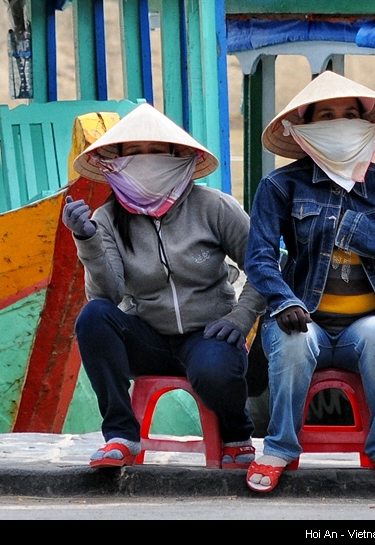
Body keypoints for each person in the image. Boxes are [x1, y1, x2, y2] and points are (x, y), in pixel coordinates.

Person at [244, 71, 375, 494]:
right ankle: (279, 447)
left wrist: (355, 230)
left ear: (370, 125)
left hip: (365, 323)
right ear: (305, 129)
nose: (341, 122)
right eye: (327, 116)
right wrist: (282, 301)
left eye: (351, 115)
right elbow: (258, 258)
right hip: (303, 317)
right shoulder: (280, 185)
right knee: (294, 340)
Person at [63, 103, 265, 469]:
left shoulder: (214, 206)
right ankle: (121, 434)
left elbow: (263, 266)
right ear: (117, 163)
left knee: (216, 372)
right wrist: (87, 239)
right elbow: (106, 295)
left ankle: (237, 431)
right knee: (93, 317)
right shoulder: (107, 218)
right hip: (147, 337)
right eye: (133, 153)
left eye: (156, 151)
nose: (146, 160)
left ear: (176, 157)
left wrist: (240, 317)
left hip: (209, 335)